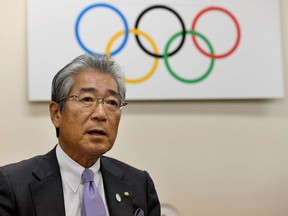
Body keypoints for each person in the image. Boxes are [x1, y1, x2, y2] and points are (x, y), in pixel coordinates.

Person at [0, 53, 160, 216]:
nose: (100, 114)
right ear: (56, 114)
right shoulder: (12, 186)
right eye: (87, 99)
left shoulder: (140, 184)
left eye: (112, 102)